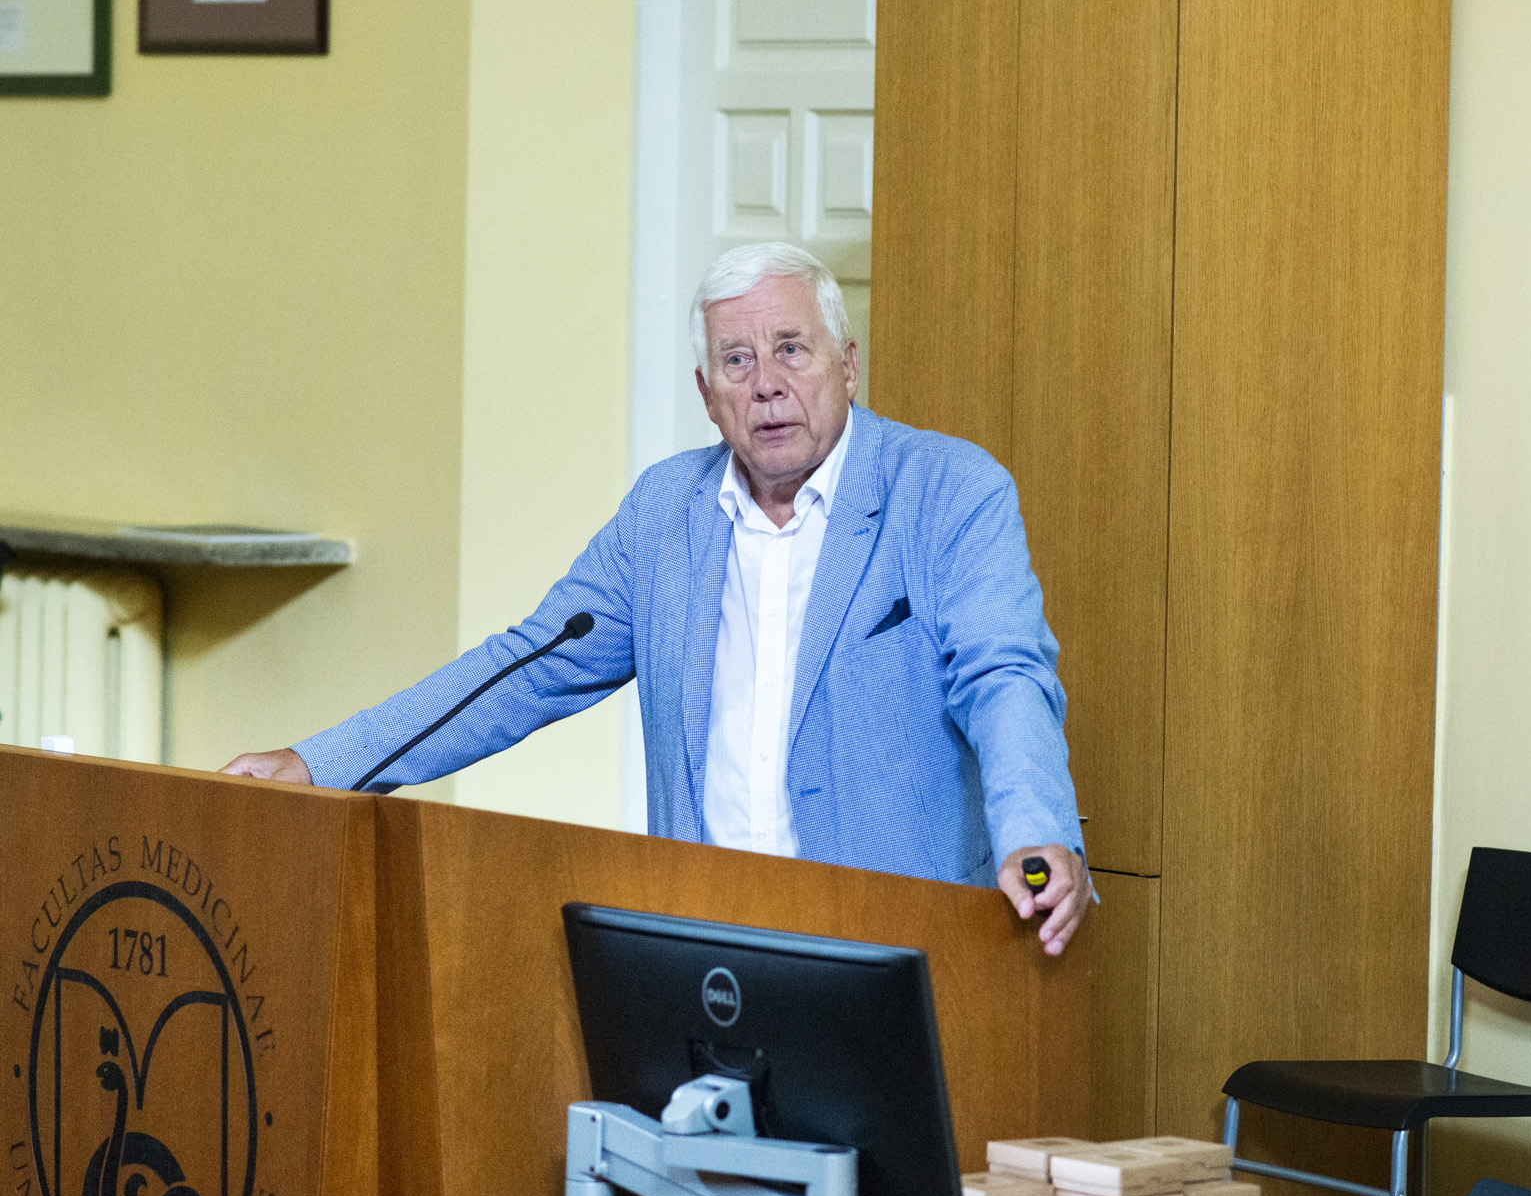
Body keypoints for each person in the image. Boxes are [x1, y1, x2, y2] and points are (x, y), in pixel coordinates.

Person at [224, 242, 1090, 953]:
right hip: (708, 948)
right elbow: (525, 667)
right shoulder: (664, 513)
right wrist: (321, 765)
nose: (767, 383)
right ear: (707, 395)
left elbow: (1004, 676)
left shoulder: (948, 491)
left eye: (792, 349)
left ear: (848, 365)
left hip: (899, 947)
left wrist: (1036, 829)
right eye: (737, 361)